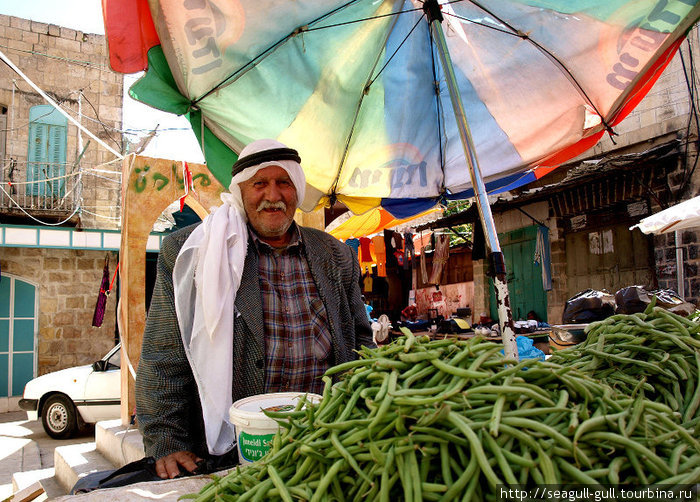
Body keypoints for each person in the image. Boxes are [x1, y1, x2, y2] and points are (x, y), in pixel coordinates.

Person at [135, 139, 373, 479]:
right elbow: (163, 355)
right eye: (259, 183)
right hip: (235, 450)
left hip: (325, 441)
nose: (272, 195)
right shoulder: (194, 252)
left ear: (297, 189)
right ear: (241, 191)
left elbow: (362, 343)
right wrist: (166, 440)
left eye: (283, 183)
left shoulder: (336, 255)